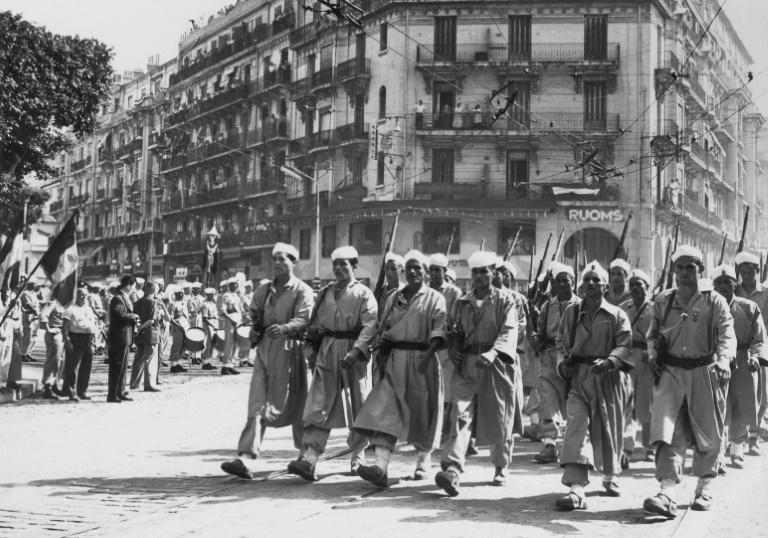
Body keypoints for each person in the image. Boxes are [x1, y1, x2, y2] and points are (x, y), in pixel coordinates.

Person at [643, 246, 735, 517]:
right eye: (680, 268)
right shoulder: (663, 300)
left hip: (704, 372)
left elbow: (726, 334)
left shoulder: (714, 300)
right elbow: (652, 334)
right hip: (670, 374)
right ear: (673, 271)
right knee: (667, 432)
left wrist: (724, 361)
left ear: (700, 270)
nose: (684, 273)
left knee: (709, 434)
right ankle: (667, 491)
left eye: (690, 267)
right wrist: (652, 355)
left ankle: (704, 488)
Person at [353, 250, 446, 487]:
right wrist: (381, 351)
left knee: (422, 412)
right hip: (395, 360)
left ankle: (423, 459)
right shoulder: (395, 297)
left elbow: (439, 329)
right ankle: (381, 467)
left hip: (421, 361)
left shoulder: (435, 298)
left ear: (426, 273)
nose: (414, 272)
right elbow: (384, 328)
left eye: (419, 268)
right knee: (386, 410)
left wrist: (427, 355)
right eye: (410, 268)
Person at [221, 242, 313, 479]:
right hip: (264, 352)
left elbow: (304, 318)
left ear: (294, 262)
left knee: (297, 402)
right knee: (257, 401)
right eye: (275, 259)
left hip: (291, 351)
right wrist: (253, 329)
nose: (278, 263)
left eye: (284, 259)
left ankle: (306, 457)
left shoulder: (302, 290)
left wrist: (285, 327)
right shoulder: (263, 291)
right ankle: (245, 457)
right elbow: (254, 315)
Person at [287, 246, 378, 481]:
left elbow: (370, 325)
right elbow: (315, 325)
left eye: (344, 264)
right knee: (318, 403)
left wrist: (358, 350)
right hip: (328, 350)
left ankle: (358, 453)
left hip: (353, 351)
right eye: (335, 264)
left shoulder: (363, 293)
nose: (338, 268)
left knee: (359, 402)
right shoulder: (325, 293)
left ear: (354, 266)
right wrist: (311, 351)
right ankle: (311, 458)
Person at [435, 250, 520, 496]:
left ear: (493, 273)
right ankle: (452, 469)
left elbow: (509, 330)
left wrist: (493, 353)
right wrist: (453, 347)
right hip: (467, 364)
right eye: (476, 272)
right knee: (460, 414)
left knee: (499, 415)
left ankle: (501, 466)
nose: (480, 276)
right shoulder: (462, 302)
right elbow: (452, 329)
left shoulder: (505, 300)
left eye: (485, 271)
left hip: (496, 364)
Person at [554, 261, 633, 511]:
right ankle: (576, 488)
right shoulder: (572, 312)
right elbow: (560, 343)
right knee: (577, 426)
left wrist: (610, 361)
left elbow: (625, 344)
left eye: (596, 280)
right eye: (586, 279)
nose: (590, 284)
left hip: (607, 378)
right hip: (579, 377)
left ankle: (610, 475)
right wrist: (562, 364)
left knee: (608, 427)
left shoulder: (617, 315)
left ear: (605, 286)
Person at [712, 264, 766, 469]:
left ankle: (737, 449)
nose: (724, 285)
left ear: (735, 283)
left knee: (743, 404)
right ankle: (717, 452)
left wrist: (756, 357)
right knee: (719, 406)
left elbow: (760, 339)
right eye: (719, 282)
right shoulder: (708, 306)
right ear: (714, 285)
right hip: (718, 361)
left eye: (728, 281)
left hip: (744, 361)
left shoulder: (748, 307)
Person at [532, 262, 579, 464]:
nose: (561, 285)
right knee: (548, 401)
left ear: (573, 283)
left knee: (571, 402)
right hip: (550, 356)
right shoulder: (547, 305)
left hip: (571, 357)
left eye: (565, 281)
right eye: (558, 281)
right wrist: (536, 340)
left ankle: (571, 447)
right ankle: (549, 444)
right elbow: (540, 330)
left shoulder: (580, 305)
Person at [618, 269, 654, 466]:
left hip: (647, 361)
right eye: (631, 285)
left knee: (647, 405)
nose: (634, 288)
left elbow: (663, 334)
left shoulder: (656, 309)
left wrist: (654, 352)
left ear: (647, 287)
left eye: (638, 284)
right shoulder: (623, 308)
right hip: (627, 360)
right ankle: (626, 447)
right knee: (626, 405)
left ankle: (648, 446)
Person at [734, 250, 768, 455]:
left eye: (751, 272)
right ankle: (735, 437)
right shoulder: (732, 289)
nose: (747, 276)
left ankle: (754, 437)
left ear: (757, 271)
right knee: (737, 395)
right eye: (743, 272)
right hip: (735, 348)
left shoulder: (765, 293)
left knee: (760, 393)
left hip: (760, 346)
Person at [428, 253, 462, 441]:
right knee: (431, 390)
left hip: (446, 347)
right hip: (428, 348)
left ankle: (446, 430)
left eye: (437, 270)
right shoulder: (424, 291)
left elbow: (456, 320)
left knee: (447, 392)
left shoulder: (453, 293)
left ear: (444, 271)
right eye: (431, 270)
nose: (433, 274)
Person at [107, 276, 139, 403]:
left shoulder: (123, 297)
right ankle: (112, 394)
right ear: (128, 285)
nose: (134, 289)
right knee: (117, 366)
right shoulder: (118, 298)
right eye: (133, 286)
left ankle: (120, 392)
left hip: (125, 336)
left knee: (123, 367)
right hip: (118, 337)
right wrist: (133, 316)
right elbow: (120, 315)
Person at [130, 282, 161, 392]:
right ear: (154, 290)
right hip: (151, 334)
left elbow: (135, 318)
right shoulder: (153, 302)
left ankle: (134, 383)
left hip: (140, 336)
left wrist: (138, 328)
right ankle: (149, 384)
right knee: (150, 360)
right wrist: (142, 327)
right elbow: (151, 320)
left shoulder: (138, 302)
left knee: (138, 359)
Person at [41, 299, 66, 400]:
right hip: (54, 332)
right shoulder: (53, 303)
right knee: (53, 360)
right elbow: (43, 315)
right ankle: (47, 387)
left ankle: (54, 384)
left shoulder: (66, 304)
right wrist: (48, 329)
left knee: (60, 361)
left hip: (63, 333)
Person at [220, 278, 243, 375]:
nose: (235, 286)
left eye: (236, 284)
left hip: (238, 322)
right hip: (230, 322)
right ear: (229, 285)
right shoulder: (226, 296)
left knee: (235, 344)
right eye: (232, 284)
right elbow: (223, 311)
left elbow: (240, 310)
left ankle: (230, 365)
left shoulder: (237, 296)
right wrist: (232, 320)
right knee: (229, 344)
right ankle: (224, 367)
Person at [168, 284, 189, 374]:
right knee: (177, 345)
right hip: (177, 327)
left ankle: (178, 363)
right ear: (175, 294)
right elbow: (170, 318)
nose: (181, 295)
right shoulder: (173, 304)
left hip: (185, 326)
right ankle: (173, 365)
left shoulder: (184, 303)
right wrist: (177, 324)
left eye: (182, 293)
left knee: (183, 346)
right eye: (179, 293)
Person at [20, 280, 40, 363]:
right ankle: (23, 354)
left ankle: (29, 353)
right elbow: (28, 304)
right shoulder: (25, 293)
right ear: (29, 284)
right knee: (27, 336)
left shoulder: (33, 293)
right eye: (34, 284)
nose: (35, 285)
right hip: (29, 315)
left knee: (34, 337)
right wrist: (35, 311)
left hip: (36, 317)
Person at [201, 287, 220, 371]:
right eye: (210, 295)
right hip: (208, 324)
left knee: (213, 343)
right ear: (207, 295)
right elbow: (204, 318)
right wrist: (212, 325)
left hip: (214, 323)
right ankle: (205, 362)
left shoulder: (213, 304)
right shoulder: (205, 305)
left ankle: (209, 361)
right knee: (208, 343)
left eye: (212, 295)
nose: (212, 296)